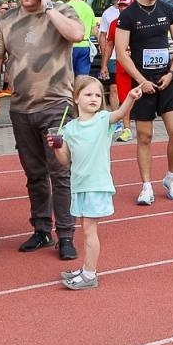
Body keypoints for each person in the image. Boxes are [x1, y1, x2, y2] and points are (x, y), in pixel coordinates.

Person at [0, 0, 84, 259]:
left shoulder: (62, 10)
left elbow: (76, 34)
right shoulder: (7, 19)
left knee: (60, 172)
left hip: (56, 107)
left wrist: (49, 6)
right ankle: (41, 230)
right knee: (34, 174)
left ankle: (65, 234)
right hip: (21, 108)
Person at [49, 75, 140, 289]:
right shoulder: (69, 128)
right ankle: (87, 268)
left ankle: (89, 275)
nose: (94, 98)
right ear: (76, 99)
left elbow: (119, 113)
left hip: (97, 185)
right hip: (79, 185)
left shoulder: (102, 120)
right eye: (88, 94)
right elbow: (65, 160)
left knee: (90, 230)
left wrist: (131, 97)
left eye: (98, 95)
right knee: (85, 229)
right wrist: (57, 146)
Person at [115, 0, 173, 204]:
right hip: (143, 83)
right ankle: (146, 185)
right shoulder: (128, 15)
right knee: (144, 137)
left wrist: (172, 71)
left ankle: (171, 177)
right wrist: (141, 80)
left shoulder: (167, 10)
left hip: (167, 80)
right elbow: (121, 52)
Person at [98, 0, 133, 140]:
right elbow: (109, 44)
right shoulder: (113, 24)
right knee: (124, 96)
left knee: (143, 96)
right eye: (121, 5)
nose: (123, 8)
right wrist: (104, 65)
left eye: (126, 5)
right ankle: (126, 129)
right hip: (121, 65)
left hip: (139, 65)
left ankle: (145, 124)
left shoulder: (139, 21)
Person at [59, 0, 99, 77]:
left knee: (67, 79)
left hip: (69, 47)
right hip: (85, 47)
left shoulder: (65, 7)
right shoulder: (88, 7)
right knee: (83, 79)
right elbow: (94, 31)